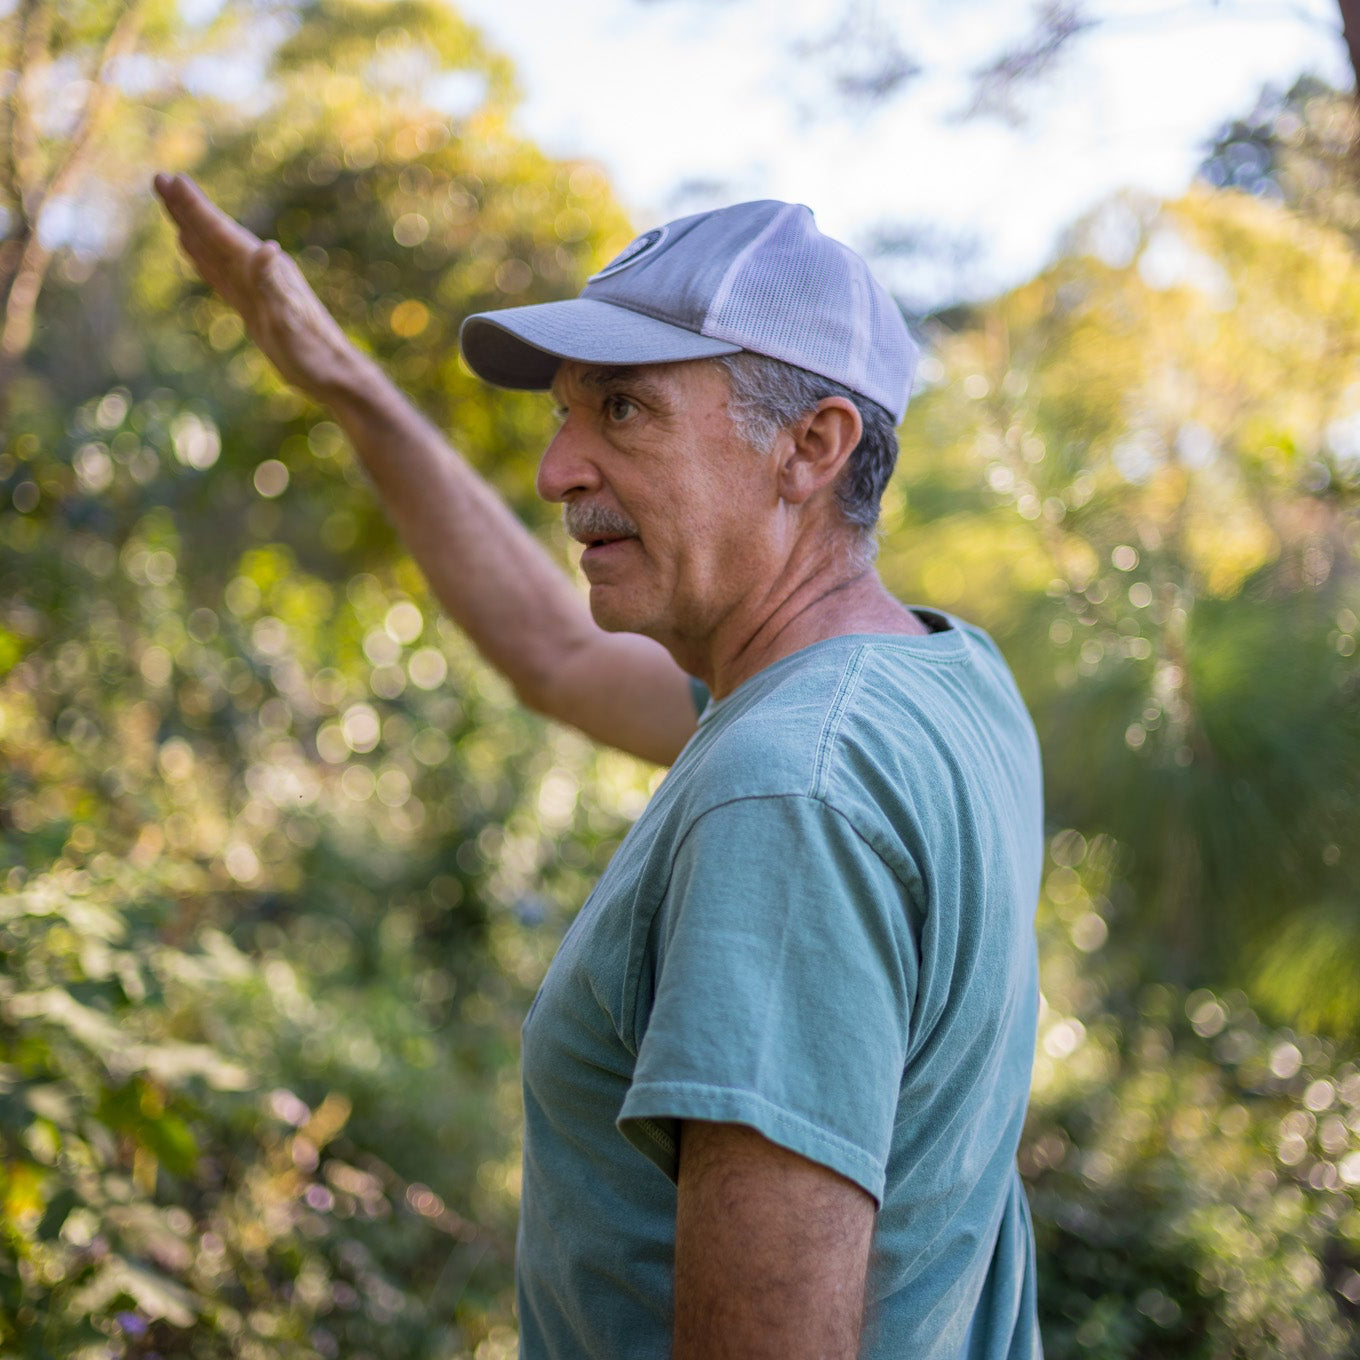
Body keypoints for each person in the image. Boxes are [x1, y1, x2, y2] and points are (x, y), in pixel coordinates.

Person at [154, 175, 1044, 1360]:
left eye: (623, 411)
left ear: (811, 445)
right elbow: (555, 653)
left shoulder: (788, 793)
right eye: (566, 413)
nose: (557, 469)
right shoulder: (934, 683)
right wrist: (344, 383)